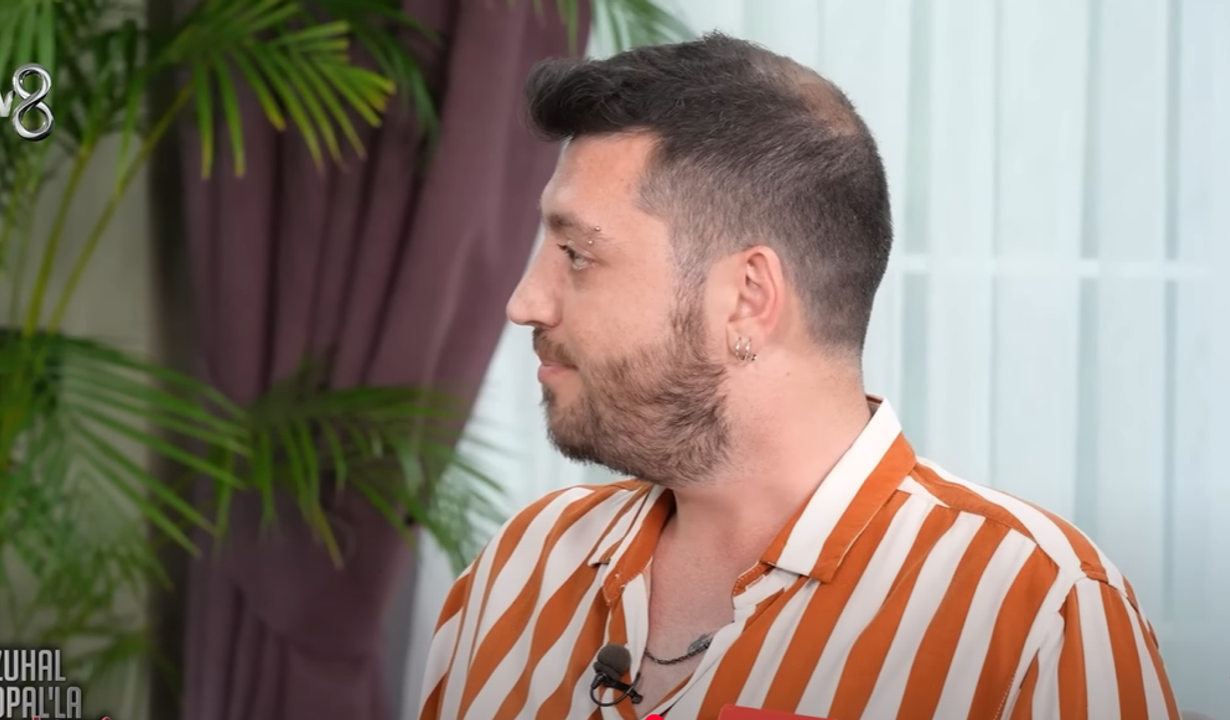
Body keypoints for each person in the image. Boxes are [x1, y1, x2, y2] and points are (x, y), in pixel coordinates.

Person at [417, 32, 1179, 720]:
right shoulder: (520, 570)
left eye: (577, 255)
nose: (524, 302)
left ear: (748, 298)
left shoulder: (1035, 614)